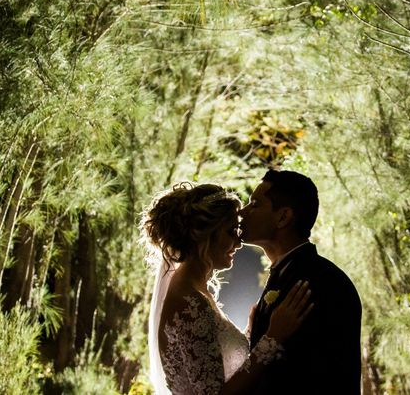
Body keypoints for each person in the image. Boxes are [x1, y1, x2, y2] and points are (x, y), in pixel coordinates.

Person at [142, 182, 313, 395]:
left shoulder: (191, 290)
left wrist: (251, 331)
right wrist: (272, 339)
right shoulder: (189, 301)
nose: (238, 243)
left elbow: (214, 362)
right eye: (231, 231)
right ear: (204, 235)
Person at [240, 169, 362, 394]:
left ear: (283, 217)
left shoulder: (321, 282)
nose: (242, 211)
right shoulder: (287, 273)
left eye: (255, 204)